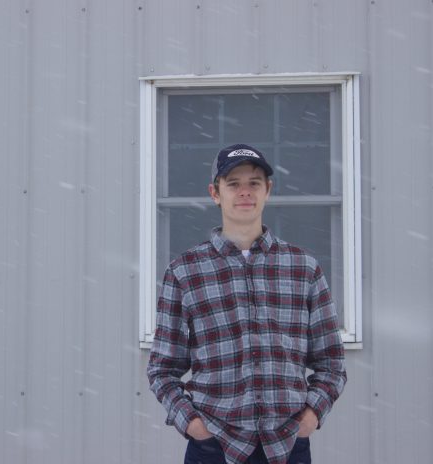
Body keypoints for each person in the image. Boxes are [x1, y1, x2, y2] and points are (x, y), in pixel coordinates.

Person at [147, 144, 347, 464]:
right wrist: (193, 424)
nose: (245, 192)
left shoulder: (303, 267)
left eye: (254, 183)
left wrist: (310, 416)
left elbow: (331, 363)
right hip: (214, 447)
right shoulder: (185, 271)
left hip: (287, 446)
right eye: (233, 183)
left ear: (267, 190)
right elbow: (162, 369)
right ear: (215, 193)